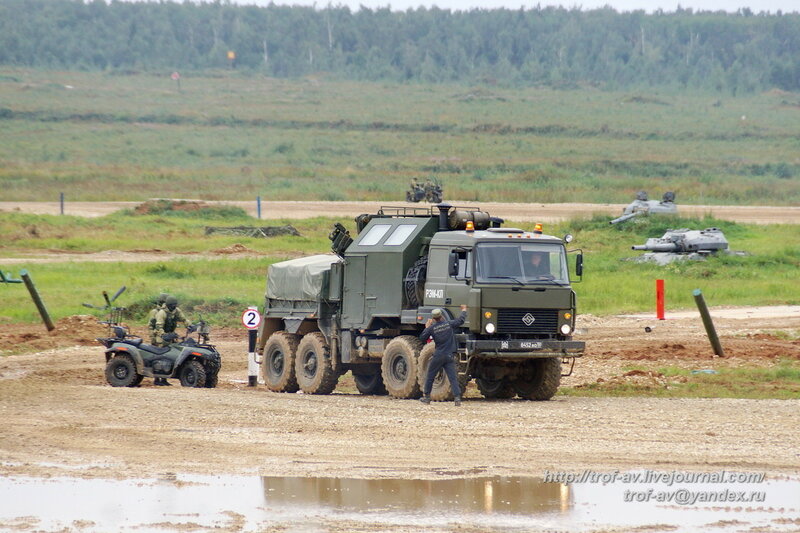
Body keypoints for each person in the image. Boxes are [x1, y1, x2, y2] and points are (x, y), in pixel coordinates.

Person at [419, 304, 468, 406]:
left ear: (433, 318)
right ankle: (457, 398)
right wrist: (464, 310)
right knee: (452, 378)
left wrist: (427, 327)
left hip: (438, 356)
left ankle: (427, 397)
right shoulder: (448, 324)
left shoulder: (432, 328)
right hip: (449, 356)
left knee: (430, 376)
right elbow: (460, 321)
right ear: (441, 316)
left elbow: (422, 338)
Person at [152, 296, 188, 386]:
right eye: (172, 305)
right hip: (161, 337)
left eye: (175, 305)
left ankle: (164, 379)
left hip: (170, 335)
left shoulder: (176, 311)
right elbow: (158, 326)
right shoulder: (162, 313)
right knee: (160, 357)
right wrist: (164, 335)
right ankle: (157, 379)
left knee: (169, 357)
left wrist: (190, 325)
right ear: (168, 305)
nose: (174, 307)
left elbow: (184, 319)